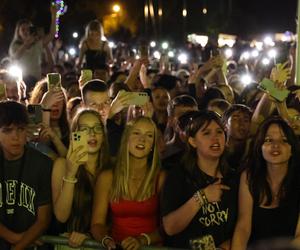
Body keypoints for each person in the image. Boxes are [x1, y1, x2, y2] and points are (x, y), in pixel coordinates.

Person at [161, 110, 239, 249]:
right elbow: (170, 227)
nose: (215, 138)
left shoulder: (234, 177)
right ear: (192, 141)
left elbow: (244, 226)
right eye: (206, 133)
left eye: (219, 132)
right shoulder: (179, 176)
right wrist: (201, 198)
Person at [91, 117, 165, 249]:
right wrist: (106, 240)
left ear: (153, 144)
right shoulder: (108, 177)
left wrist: (142, 240)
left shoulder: (160, 178)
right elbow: (97, 223)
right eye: (136, 133)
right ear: (126, 138)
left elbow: (169, 226)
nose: (142, 139)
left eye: (149, 135)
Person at [231, 117, 300, 249]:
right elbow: (243, 227)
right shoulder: (249, 176)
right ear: (260, 146)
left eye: (284, 140)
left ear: (292, 149)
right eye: (268, 140)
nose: (275, 145)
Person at [51, 109, 110, 249]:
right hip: (69, 244)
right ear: (74, 135)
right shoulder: (62, 165)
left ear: (103, 135)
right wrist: (71, 173)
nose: (92, 133)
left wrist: (91, 236)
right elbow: (61, 216)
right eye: (85, 129)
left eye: (97, 128)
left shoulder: (112, 167)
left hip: (104, 243)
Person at [0, 101, 52, 250]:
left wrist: (18, 246)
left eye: (20, 129)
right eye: (7, 130)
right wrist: (16, 238)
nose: (15, 137)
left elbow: (44, 219)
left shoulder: (42, 163)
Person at [8, 4, 57, 89]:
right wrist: (26, 44)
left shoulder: (37, 44)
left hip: (35, 81)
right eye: (23, 29)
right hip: (20, 81)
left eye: (28, 29)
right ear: (18, 32)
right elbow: (15, 56)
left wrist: (54, 15)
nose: (26, 31)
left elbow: (52, 34)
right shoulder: (15, 45)